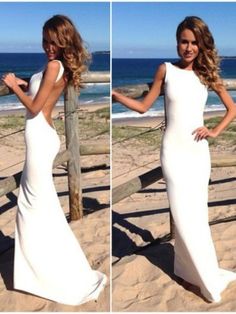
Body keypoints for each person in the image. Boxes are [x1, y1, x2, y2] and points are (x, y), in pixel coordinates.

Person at [112, 16, 236, 302]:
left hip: (197, 153)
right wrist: (117, 96)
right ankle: (188, 271)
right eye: (184, 41)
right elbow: (144, 106)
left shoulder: (207, 74)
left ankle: (194, 272)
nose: (189, 48)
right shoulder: (165, 69)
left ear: (201, 44)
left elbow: (231, 108)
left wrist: (214, 130)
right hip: (173, 153)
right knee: (182, 216)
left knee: (197, 217)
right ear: (177, 42)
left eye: (194, 42)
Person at [2, 15, 107, 305]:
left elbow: (35, 107)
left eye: (53, 42)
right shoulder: (58, 66)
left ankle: (40, 272)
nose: (48, 46)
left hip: (39, 138)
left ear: (63, 41)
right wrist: (27, 82)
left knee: (30, 204)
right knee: (40, 204)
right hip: (43, 138)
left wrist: (13, 86)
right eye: (45, 41)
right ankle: (40, 268)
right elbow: (43, 93)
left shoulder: (53, 65)